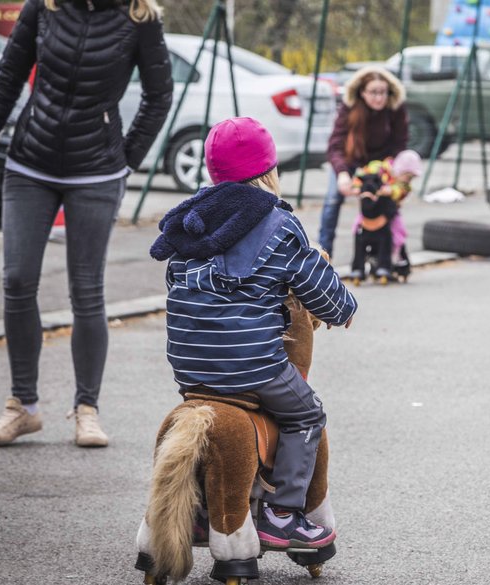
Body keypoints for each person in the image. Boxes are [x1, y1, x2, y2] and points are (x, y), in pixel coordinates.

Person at [0, 0, 173, 446]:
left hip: (96, 172)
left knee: (86, 290)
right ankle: (22, 406)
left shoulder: (141, 18)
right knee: (18, 279)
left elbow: (160, 96)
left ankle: (87, 409)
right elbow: (7, 76)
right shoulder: (42, 8)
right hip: (30, 162)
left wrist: (126, 160)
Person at [149, 117, 358, 550]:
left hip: (189, 367)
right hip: (252, 366)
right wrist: (343, 309)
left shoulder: (191, 219)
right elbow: (315, 284)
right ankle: (283, 512)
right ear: (268, 172)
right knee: (307, 415)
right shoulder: (278, 223)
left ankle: (204, 510)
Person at [318, 65, 408, 257]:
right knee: (333, 200)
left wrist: (389, 169)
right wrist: (342, 173)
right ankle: (323, 255)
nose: (379, 98)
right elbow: (335, 146)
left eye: (383, 92)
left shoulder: (395, 110)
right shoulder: (349, 110)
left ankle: (387, 256)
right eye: (373, 92)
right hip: (350, 163)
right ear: (362, 92)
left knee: (386, 201)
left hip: (381, 166)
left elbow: (400, 143)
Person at [349, 148, 422, 282]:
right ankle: (360, 267)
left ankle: (397, 263)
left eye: (411, 178)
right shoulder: (379, 169)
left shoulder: (403, 185)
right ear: (400, 169)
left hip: (388, 213)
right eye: (407, 176)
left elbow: (400, 192)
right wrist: (358, 187)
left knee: (397, 234)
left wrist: (390, 191)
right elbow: (361, 176)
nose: (408, 180)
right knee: (358, 230)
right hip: (371, 210)